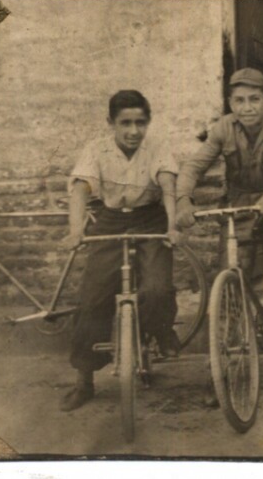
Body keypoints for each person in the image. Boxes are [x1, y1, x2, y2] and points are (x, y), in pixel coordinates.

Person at [60, 90, 183, 412]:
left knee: (157, 288)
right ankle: (84, 381)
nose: (133, 131)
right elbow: (79, 189)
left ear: (148, 122)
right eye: (125, 123)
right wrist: (76, 231)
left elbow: (169, 187)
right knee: (93, 299)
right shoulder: (96, 150)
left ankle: (160, 330)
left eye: (140, 123)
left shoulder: (157, 148)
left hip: (151, 219)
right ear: (111, 123)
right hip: (110, 221)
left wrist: (171, 227)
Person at [176, 68, 263, 330]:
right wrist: (183, 199)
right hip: (239, 208)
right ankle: (230, 341)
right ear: (230, 103)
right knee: (232, 277)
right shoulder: (223, 127)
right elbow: (193, 167)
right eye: (239, 100)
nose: (247, 107)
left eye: (254, 99)